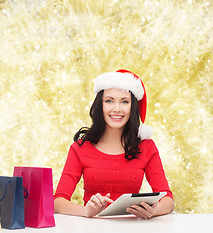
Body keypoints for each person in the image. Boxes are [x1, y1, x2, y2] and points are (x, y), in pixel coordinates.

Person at [54, 69, 174, 219]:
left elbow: (168, 200)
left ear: (133, 106)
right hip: (91, 230)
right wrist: (86, 211)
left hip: (131, 230)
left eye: (124, 101)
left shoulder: (146, 147)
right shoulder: (80, 148)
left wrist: (153, 211)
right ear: (100, 105)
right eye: (109, 101)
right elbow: (58, 202)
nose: (117, 109)